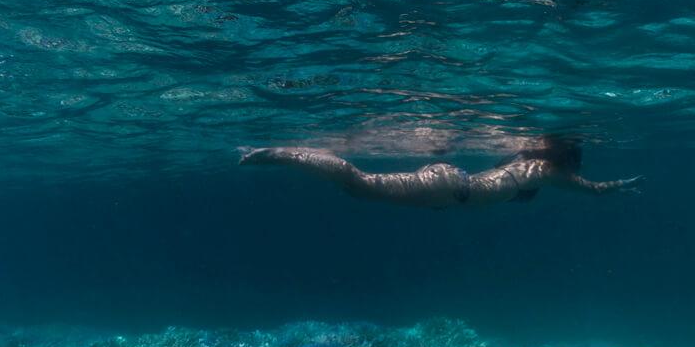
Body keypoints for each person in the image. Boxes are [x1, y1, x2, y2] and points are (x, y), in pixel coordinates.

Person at [236, 137, 639, 208]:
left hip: (453, 182)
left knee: (357, 185)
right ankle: (273, 154)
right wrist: (618, 186)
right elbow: (591, 189)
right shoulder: (549, 170)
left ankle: (275, 154)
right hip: (451, 188)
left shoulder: (530, 163)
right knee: (356, 183)